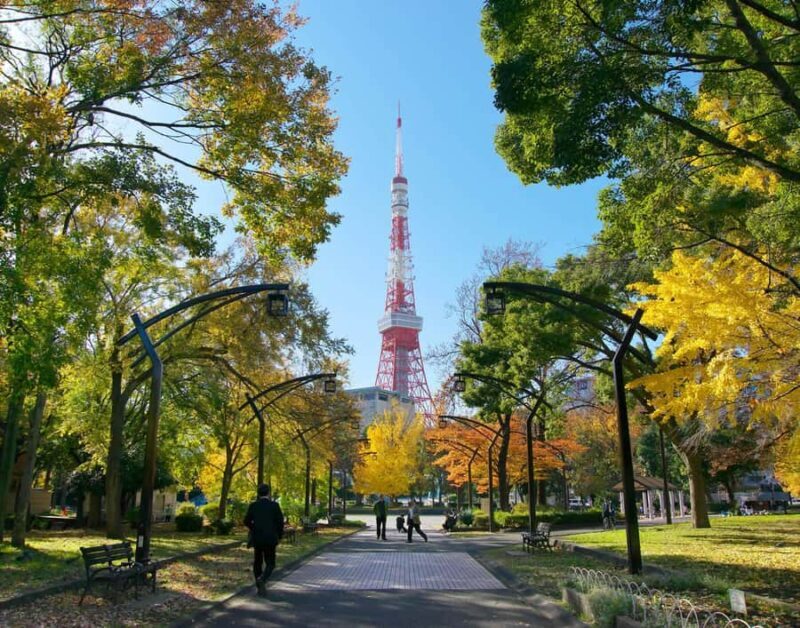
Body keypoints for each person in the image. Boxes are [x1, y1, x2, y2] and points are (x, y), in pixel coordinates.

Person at [244, 484, 284, 596]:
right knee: (270, 563)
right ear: (268, 493)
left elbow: (246, 521)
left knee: (258, 562)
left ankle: (259, 583)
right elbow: (280, 522)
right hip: (271, 538)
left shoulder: (253, 506)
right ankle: (263, 579)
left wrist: (254, 528)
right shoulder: (274, 506)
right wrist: (279, 535)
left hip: (257, 538)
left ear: (258, 493)